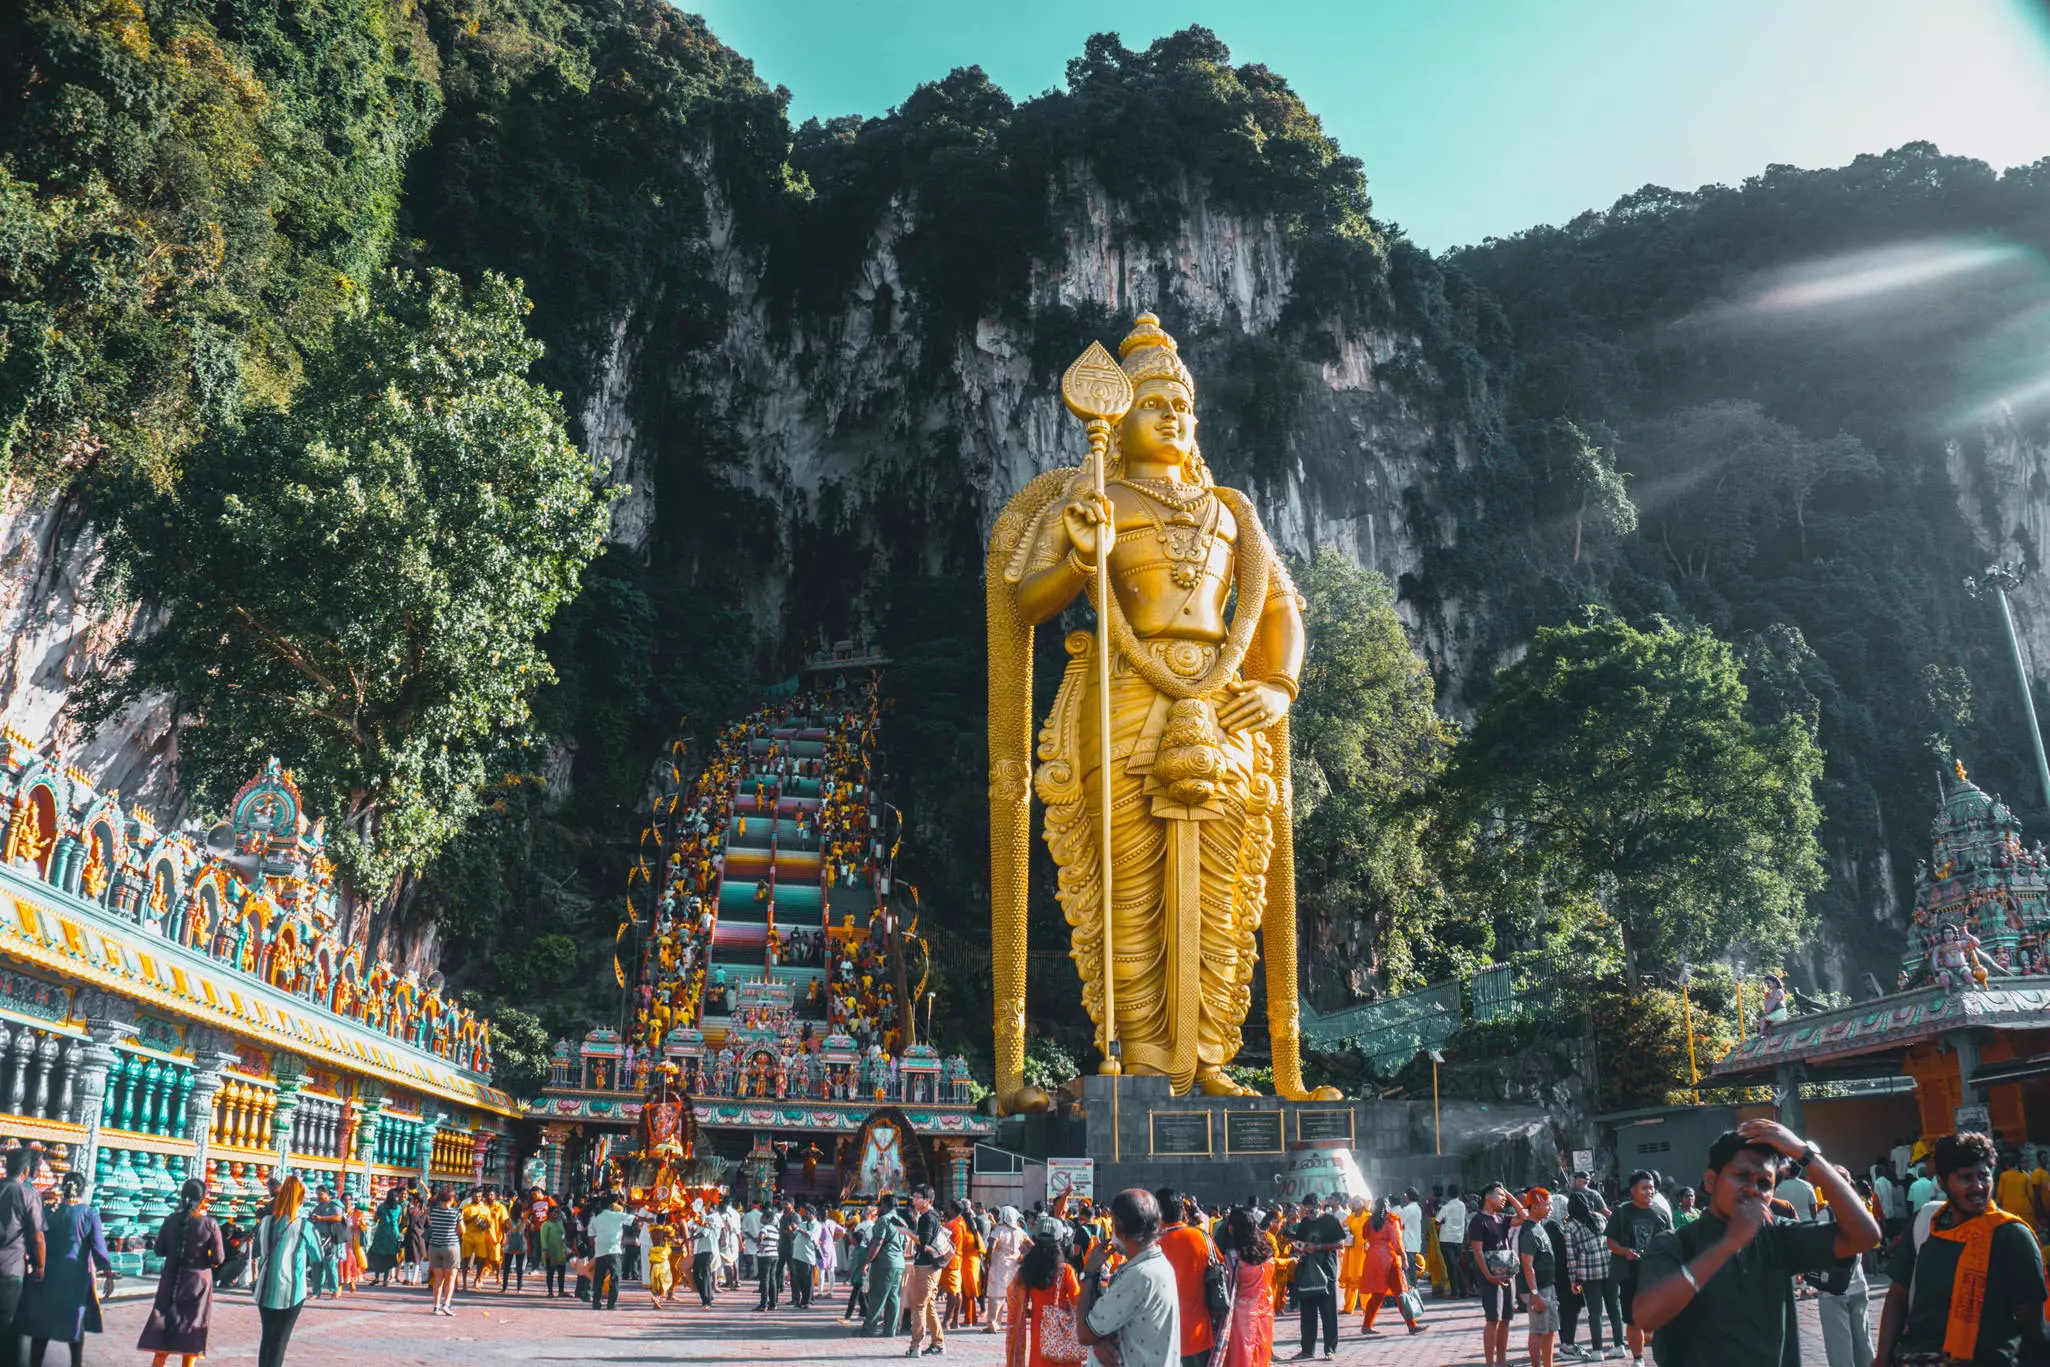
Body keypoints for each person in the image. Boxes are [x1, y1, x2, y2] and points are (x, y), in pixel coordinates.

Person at [1632, 1119, 1880, 1366]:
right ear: (1710, 1181)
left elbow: (1865, 1235)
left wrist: (1806, 1155)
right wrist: (1726, 1245)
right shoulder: (1675, 1244)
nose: (1753, 1189)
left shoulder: (1778, 1237)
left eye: (1764, 1183)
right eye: (1741, 1176)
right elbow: (1646, 1316)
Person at [1874, 1130, 2049, 1366]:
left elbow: (2033, 1328)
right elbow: (1897, 1295)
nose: (1978, 1187)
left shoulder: (2010, 1235)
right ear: (1942, 1182)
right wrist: (1883, 1357)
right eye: (1965, 1178)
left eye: (1983, 1176)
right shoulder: (1927, 1223)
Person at [18, 1170, 111, 1367]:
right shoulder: (89, 1214)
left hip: (49, 1276)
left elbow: (37, 1241)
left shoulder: (50, 1211)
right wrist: (108, 1272)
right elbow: (98, 1248)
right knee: (75, 1328)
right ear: (82, 1190)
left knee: (42, 1326)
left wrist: (35, 1265)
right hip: (76, 1278)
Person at [1078, 1190, 1180, 1367]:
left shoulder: (1138, 1276)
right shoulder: (1158, 1264)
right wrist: (1099, 1339)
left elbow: (1085, 1333)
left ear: (1119, 1225)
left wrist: (1087, 1274)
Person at [138, 1178, 223, 1367]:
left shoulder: (170, 1221)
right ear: (203, 1199)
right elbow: (219, 1259)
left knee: (163, 1336)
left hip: (171, 1280)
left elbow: (159, 1250)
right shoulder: (210, 1224)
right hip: (198, 1284)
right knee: (190, 1338)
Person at [1604, 1171, 1669, 1366]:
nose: (1650, 1191)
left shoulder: (1661, 1213)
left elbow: (1671, 1241)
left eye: (1652, 1188)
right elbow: (1610, 1242)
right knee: (1632, 1320)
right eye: (1644, 1188)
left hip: (1655, 1275)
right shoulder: (1622, 1213)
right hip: (1630, 1275)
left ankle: (1664, 1355)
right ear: (1633, 1190)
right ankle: (1638, 1358)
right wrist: (1625, 1252)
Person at [250, 1175, 314, 1367]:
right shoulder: (304, 1225)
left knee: (268, 1338)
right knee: (280, 1341)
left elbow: (257, 1251)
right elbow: (318, 1256)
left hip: (265, 1286)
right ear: (300, 1200)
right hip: (292, 1291)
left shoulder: (265, 1222)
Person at [1812, 1164, 1871, 1367]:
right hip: (1859, 1284)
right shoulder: (1860, 1210)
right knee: (1863, 1342)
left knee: (1840, 1349)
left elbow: (1818, 1252)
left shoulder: (1825, 1215)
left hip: (1833, 1289)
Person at [1154, 1189, 1218, 1367]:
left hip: (1160, 1336)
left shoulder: (1150, 1245)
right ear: (1182, 1210)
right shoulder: (1202, 1238)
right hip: (1197, 1333)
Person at [1003, 1233, 1082, 1367]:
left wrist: (1026, 1311)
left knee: (1040, 1361)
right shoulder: (1065, 1270)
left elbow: (1014, 1296)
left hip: (1039, 1324)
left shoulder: (1027, 1271)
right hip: (1063, 1325)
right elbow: (1077, 1299)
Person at [1559, 1189, 1619, 1363]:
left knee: (1595, 1312)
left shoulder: (1570, 1227)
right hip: (1609, 1266)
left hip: (1588, 1271)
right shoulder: (1599, 1218)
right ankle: (1619, 1345)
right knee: (1614, 1308)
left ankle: (1598, 1350)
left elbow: (1571, 1256)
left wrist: (1573, 1279)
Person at [1467, 1183, 1523, 1367]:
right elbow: (1478, 1252)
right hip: (1490, 1276)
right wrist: (1488, 1276)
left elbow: (1525, 1216)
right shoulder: (1478, 1221)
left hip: (1507, 1273)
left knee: (1506, 1318)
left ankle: (1502, 1360)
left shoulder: (1502, 1219)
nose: (1503, 1198)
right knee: (1493, 1319)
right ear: (1488, 1198)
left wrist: (1508, 1193)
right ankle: (1490, 1363)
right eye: (1499, 1195)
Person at [0, 1147, 46, 1367]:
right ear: (26, 1170)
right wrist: (39, 1266)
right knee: (9, 1327)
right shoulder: (27, 1194)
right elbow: (37, 1237)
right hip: (11, 1271)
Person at [1288, 1195, 1347, 1361]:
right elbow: (1299, 1244)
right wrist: (1299, 1247)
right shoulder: (1305, 1223)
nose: (1309, 1214)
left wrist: (1319, 1247)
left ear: (1320, 1206)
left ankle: (1330, 1349)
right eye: (1306, 1211)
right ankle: (1307, 1349)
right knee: (1307, 1314)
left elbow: (1341, 1244)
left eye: (1312, 1210)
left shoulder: (1330, 1221)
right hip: (1308, 1272)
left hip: (1326, 1272)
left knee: (1328, 1313)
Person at [1356, 1197, 1422, 1336]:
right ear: (1387, 1207)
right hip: (1389, 1260)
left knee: (1377, 1295)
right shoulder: (1390, 1221)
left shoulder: (1369, 1222)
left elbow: (1365, 1237)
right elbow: (1397, 1242)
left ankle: (1366, 1325)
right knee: (1400, 1293)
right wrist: (1404, 1257)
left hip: (1373, 1259)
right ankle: (1412, 1325)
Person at [905, 1185, 948, 1355]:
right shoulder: (930, 1215)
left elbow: (925, 1243)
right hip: (932, 1266)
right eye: (913, 1196)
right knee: (929, 1304)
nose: (914, 1200)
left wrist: (907, 1232)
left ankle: (916, 1346)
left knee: (919, 1305)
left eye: (917, 1197)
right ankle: (938, 1343)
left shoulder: (927, 1218)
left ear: (927, 1200)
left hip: (926, 1267)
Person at [1518, 1188, 1559, 1367]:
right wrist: (1535, 1294)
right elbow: (1528, 1267)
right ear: (1534, 1206)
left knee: (1550, 1330)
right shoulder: (1528, 1232)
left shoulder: (1539, 1226)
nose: (1550, 1208)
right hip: (1537, 1289)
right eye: (1547, 1204)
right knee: (1537, 1331)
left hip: (1548, 1286)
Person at [863, 1194, 909, 1339]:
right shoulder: (901, 1221)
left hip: (884, 1263)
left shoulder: (883, 1220)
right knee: (894, 1297)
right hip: (899, 1263)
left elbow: (877, 1243)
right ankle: (890, 1330)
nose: (879, 1208)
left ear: (885, 1206)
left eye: (880, 1205)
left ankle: (868, 1329)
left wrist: (867, 1262)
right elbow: (905, 1243)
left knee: (878, 1296)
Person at [985, 1207, 1029, 1333]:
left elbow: (991, 1246)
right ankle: (1013, 1322)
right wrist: (1023, 1256)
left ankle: (993, 1324)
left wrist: (988, 1260)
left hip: (999, 1264)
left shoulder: (998, 1230)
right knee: (1012, 1295)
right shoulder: (1019, 1231)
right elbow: (1031, 1245)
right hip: (1014, 1265)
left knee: (996, 1295)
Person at [588, 1194, 630, 1312]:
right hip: (614, 1251)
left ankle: (596, 1303)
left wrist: (597, 1246)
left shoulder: (595, 1219)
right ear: (612, 1206)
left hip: (600, 1252)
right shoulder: (618, 1215)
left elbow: (591, 1238)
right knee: (615, 1277)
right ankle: (611, 1304)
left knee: (598, 1278)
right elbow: (634, 1219)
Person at [426, 1186, 463, 1315]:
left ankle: (436, 1306)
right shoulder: (456, 1213)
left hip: (434, 1246)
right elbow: (463, 1230)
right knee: (451, 1278)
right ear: (451, 1199)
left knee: (438, 1278)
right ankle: (446, 1304)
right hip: (451, 1246)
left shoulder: (433, 1211)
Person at [1435, 1190, 1468, 1300]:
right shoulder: (1463, 1205)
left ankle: (1455, 1292)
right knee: (1456, 1265)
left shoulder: (1446, 1207)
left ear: (1449, 1194)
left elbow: (1437, 1220)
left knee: (1451, 1266)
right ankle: (1464, 1290)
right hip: (1458, 1238)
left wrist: (1443, 1221)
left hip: (1446, 1238)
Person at [367, 1192, 403, 1288]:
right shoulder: (399, 1208)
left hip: (381, 1233)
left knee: (378, 1255)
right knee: (389, 1256)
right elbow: (399, 1220)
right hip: (393, 1234)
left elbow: (375, 1218)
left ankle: (377, 1277)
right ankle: (386, 1280)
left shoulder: (382, 1207)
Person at [691, 1210, 720, 1307]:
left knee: (704, 1275)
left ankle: (707, 1300)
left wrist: (691, 1238)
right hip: (701, 1250)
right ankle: (707, 1296)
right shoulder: (701, 1221)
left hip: (708, 1250)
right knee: (697, 1274)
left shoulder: (709, 1219)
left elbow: (704, 1232)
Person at [539, 1206, 569, 1298]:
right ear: (549, 1213)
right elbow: (543, 1238)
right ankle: (550, 1292)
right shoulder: (545, 1225)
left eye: (558, 1212)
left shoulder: (560, 1223)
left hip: (560, 1252)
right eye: (555, 1212)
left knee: (561, 1273)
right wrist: (545, 1250)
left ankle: (561, 1291)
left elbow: (564, 1235)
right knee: (550, 1273)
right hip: (550, 1252)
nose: (557, 1214)